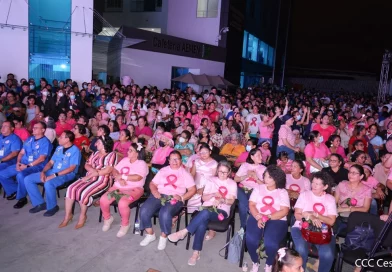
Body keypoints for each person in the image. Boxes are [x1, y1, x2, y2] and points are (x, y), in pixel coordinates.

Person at [168, 161, 237, 266]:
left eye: (225, 172)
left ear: (229, 172)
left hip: (221, 211)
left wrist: (222, 200)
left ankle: (185, 231)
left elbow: (231, 201)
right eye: (220, 172)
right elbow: (204, 198)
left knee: (204, 213)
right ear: (217, 171)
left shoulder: (232, 184)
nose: (222, 174)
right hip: (206, 207)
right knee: (202, 221)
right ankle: (196, 253)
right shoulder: (211, 180)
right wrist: (213, 194)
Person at [139, 151, 196, 250]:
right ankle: (150, 234)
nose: (174, 161)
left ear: (181, 160)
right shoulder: (163, 171)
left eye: (177, 159)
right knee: (144, 210)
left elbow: (193, 189)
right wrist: (154, 191)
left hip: (175, 198)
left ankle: (163, 236)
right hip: (159, 195)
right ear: (168, 161)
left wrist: (182, 198)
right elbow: (152, 184)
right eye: (172, 159)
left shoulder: (185, 173)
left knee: (164, 213)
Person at [60, 136, 116, 229]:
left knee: (83, 192)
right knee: (70, 188)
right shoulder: (95, 153)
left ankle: (82, 216)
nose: (95, 144)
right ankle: (67, 216)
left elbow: (108, 170)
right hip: (89, 177)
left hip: (102, 180)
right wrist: (92, 170)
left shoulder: (111, 155)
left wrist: (94, 173)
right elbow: (87, 164)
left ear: (104, 145)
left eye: (98, 142)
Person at [24, 130, 80, 216]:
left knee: (48, 183)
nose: (58, 138)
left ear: (67, 139)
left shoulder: (75, 150)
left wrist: (54, 175)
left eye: (61, 137)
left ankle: (52, 207)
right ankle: (40, 203)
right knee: (28, 179)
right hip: (53, 171)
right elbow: (50, 163)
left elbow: (71, 168)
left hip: (66, 174)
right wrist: (43, 172)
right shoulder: (59, 148)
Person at [246, 165, 290, 272]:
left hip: (276, 219)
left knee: (271, 243)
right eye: (265, 176)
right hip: (258, 215)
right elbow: (251, 205)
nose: (265, 179)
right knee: (251, 239)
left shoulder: (282, 192)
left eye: (269, 177)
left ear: (277, 179)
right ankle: (255, 262)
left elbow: (284, 211)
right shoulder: (258, 188)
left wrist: (267, 217)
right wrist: (258, 216)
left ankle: (269, 264)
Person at [291, 171, 337, 272]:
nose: (313, 185)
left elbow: (332, 221)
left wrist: (316, 215)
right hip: (301, 227)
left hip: (323, 231)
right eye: (313, 182)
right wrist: (309, 218)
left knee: (327, 254)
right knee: (301, 249)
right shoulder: (304, 195)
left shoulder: (330, 199)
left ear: (325, 187)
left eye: (317, 184)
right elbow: (297, 215)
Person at [100, 142, 148, 237]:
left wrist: (122, 177)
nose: (128, 152)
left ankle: (125, 224)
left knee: (122, 202)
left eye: (131, 150)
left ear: (137, 153)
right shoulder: (125, 160)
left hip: (134, 189)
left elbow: (137, 177)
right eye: (128, 150)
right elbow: (114, 170)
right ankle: (107, 218)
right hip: (118, 187)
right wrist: (119, 178)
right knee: (103, 200)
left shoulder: (142, 164)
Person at [0, 121, 52, 209]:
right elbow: (21, 153)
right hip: (23, 163)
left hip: (37, 166)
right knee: (2, 174)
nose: (33, 129)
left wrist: (27, 166)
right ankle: (16, 191)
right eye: (33, 127)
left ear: (43, 130)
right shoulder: (30, 139)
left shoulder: (45, 142)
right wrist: (18, 163)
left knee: (20, 175)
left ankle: (22, 198)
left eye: (36, 128)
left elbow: (42, 158)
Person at [334, 164, 372, 235]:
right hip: (341, 215)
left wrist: (347, 209)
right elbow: (334, 202)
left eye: (354, 173)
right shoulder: (341, 184)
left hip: (357, 216)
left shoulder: (367, 189)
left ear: (361, 176)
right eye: (350, 172)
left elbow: (365, 209)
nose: (350, 175)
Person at [234, 148, 266, 228]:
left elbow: (265, 186)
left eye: (261, 155)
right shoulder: (245, 165)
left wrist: (256, 178)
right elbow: (235, 179)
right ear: (252, 157)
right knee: (236, 189)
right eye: (258, 155)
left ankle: (243, 227)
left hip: (255, 191)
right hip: (242, 189)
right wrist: (246, 175)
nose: (261, 157)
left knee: (242, 205)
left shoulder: (263, 168)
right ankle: (252, 213)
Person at [187, 143, 218, 213]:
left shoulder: (214, 163)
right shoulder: (197, 161)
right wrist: (192, 186)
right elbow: (192, 174)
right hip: (196, 184)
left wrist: (204, 188)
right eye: (201, 152)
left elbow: (213, 179)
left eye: (206, 152)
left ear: (210, 152)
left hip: (208, 185)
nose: (203, 154)